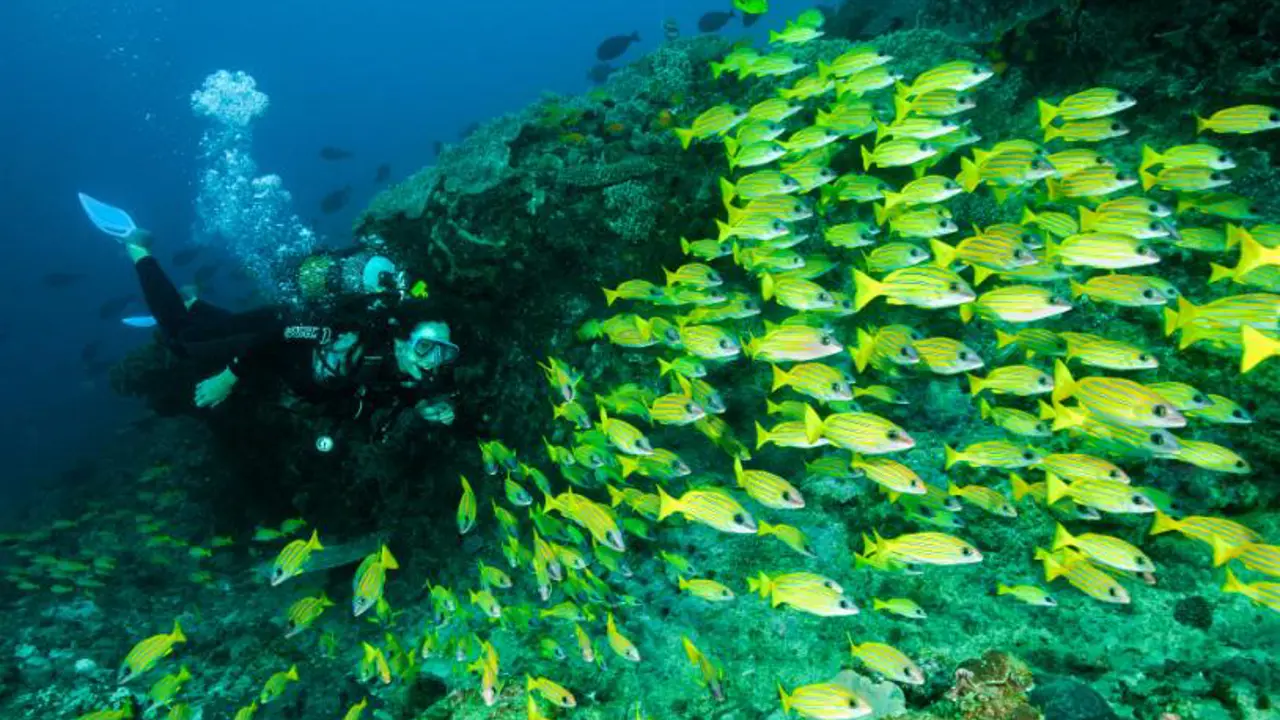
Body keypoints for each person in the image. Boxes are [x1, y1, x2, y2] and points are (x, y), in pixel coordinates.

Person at [119, 228, 458, 449]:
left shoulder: (398, 367)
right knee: (183, 342)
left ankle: (193, 302)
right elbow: (279, 336)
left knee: (223, 327)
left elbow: (393, 395)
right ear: (400, 339)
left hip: (280, 360)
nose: (432, 363)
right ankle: (138, 249)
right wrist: (228, 378)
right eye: (426, 348)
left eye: (444, 354)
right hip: (274, 332)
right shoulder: (349, 336)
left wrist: (426, 408)